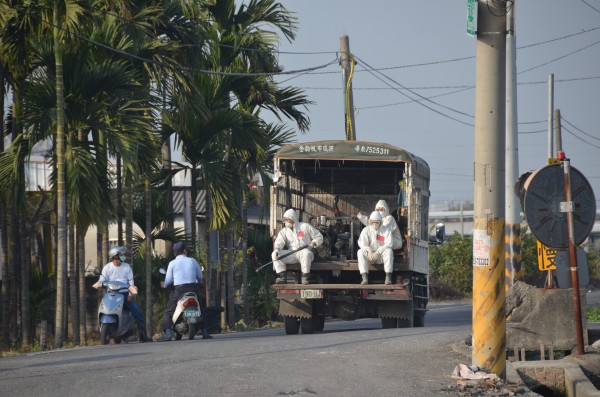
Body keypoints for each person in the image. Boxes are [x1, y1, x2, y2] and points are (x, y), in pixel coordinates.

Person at [92, 246, 152, 342]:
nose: (122, 257)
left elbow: (131, 283)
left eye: (122, 255)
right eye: (119, 256)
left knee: (137, 312)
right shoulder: (107, 268)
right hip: (110, 294)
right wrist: (99, 285)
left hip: (124, 295)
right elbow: (101, 280)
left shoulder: (126, 267)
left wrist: (130, 295)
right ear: (114, 257)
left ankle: (143, 335)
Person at [160, 242, 210, 341]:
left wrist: (164, 284)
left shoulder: (172, 263)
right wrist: (197, 281)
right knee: (201, 308)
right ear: (185, 251)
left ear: (175, 253)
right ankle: (205, 332)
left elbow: (168, 281)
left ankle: (168, 334)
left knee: (168, 312)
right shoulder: (192, 261)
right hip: (193, 289)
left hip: (179, 290)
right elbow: (200, 277)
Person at [272, 208, 324, 285]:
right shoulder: (284, 231)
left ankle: (305, 277)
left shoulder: (305, 227)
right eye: (284, 220)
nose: (285, 222)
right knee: (274, 254)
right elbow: (279, 241)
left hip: (304, 252)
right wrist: (276, 249)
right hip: (291, 254)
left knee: (306, 253)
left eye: (287, 220)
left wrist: (313, 244)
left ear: (292, 218)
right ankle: (282, 277)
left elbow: (319, 237)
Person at [357, 211, 394, 285]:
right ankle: (364, 278)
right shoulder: (366, 230)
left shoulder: (386, 230)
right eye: (372, 222)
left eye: (376, 222)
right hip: (370, 256)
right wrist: (369, 251)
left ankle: (388, 277)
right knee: (360, 252)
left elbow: (389, 244)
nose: (374, 224)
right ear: (370, 222)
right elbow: (362, 243)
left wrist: (378, 252)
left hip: (381, 256)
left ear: (380, 222)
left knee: (389, 251)